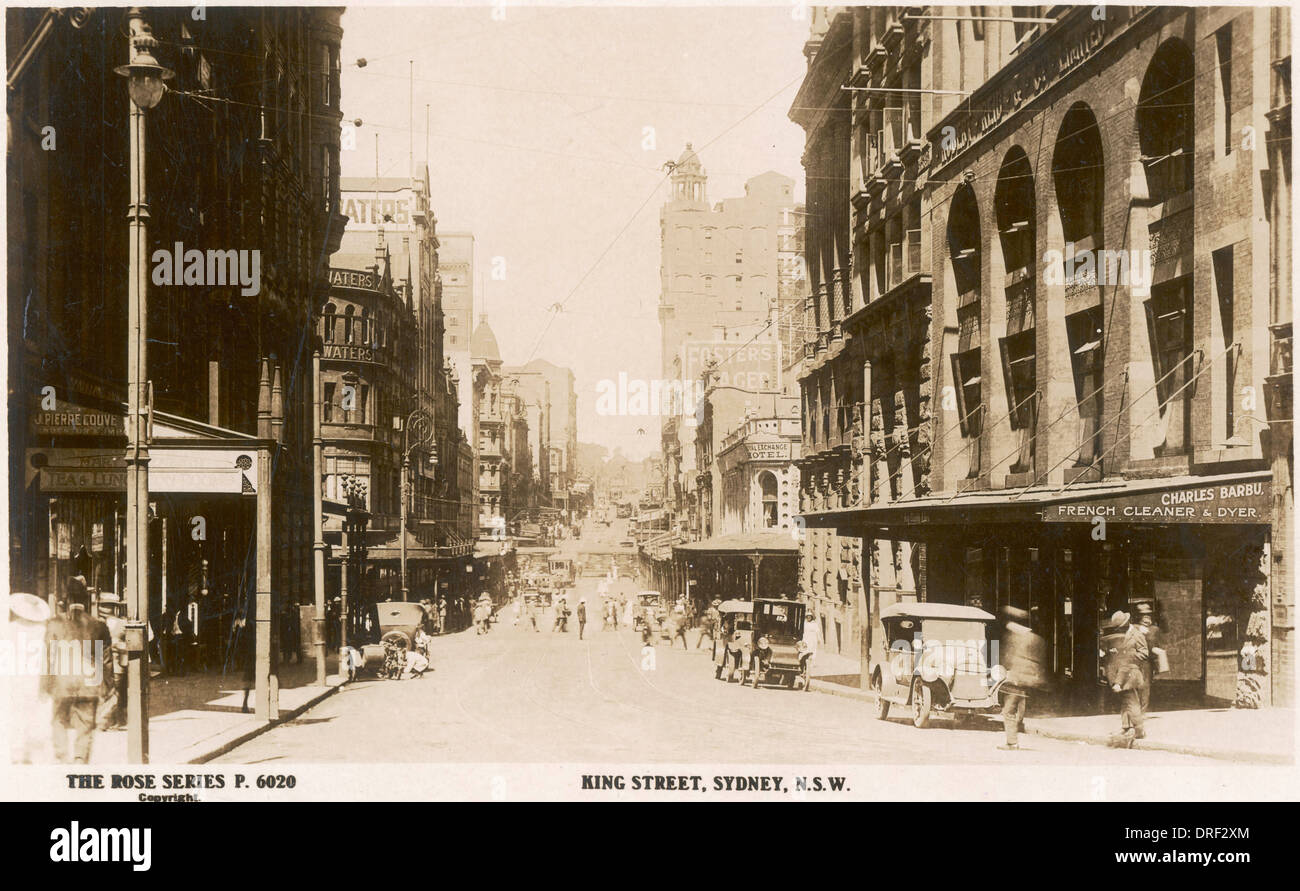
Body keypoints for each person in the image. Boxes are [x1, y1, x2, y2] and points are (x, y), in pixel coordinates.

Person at [41, 578, 113, 764]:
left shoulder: (53, 625)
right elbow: (104, 660)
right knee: (86, 725)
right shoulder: (98, 626)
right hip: (88, 684)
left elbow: (49, 657)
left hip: (62, 683)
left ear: (66, 599)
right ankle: (80, 760)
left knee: (58, 721)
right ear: (87, 599)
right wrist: (107, 686)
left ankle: (63, 759)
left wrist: (45, 685)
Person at [997, 606, 1050, 750]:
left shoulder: (1014, 638)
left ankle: (1012, 742)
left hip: (1016, 678)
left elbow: (1007, 658)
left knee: (1008, 710)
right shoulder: (1037, 639)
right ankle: (1018, 725)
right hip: (1030, 679)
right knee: (1019, 703)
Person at [1103, 610, 1150, 746]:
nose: (1120, 628)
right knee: (1125, 700)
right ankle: (1126, 727)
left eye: (1122, 626)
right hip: (1120, 672)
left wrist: (1130, 655)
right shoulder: (1119, 636)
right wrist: (1113, 652)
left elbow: (1144, 653)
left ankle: (1139, 729)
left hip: (1131, 672)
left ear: (1127, 622)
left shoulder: (1137, 634)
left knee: (1131, 701)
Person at [98, 595, 129, 731]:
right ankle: (118, 720)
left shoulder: (97, 624)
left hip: (103, 665)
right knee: (118, 691)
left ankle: (109, 721)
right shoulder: (121, 624)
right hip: (117, 665)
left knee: (109, 692)